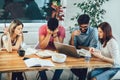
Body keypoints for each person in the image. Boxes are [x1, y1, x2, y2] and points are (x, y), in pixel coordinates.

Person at [69, 14, 99, 80]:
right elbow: (73, 47)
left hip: (90, 56)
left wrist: (79, 46)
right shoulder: (76, 29)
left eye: (85, 27)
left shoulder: (94, 31)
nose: (82, 29)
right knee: (70, 65)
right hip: (78, 55)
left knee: (84, 68)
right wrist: (73, 36)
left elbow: (92, 49)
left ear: (89, 24)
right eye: (81, 26)